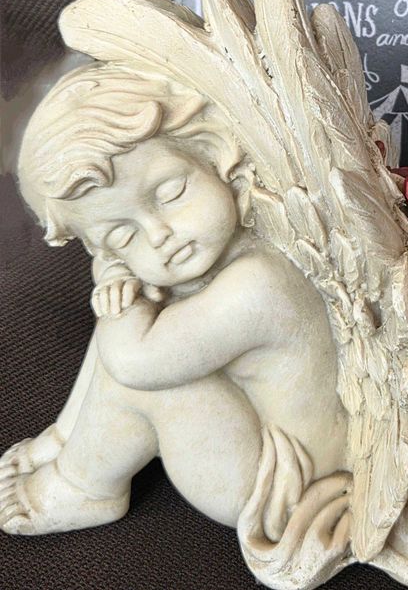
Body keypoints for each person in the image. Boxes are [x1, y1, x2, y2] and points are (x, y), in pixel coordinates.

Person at [0, 62, 350, 547]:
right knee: (131, 315)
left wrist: (120, 295)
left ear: (214, 154)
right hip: (262, 443)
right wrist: (119, 281)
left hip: (279, 487)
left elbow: (136, 363)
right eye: (123, 236)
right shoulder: (217, 259)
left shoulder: (261, 282)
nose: (159, 235)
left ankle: (85, 486)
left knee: (143, 362)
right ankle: (68, 439)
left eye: (171, 193)